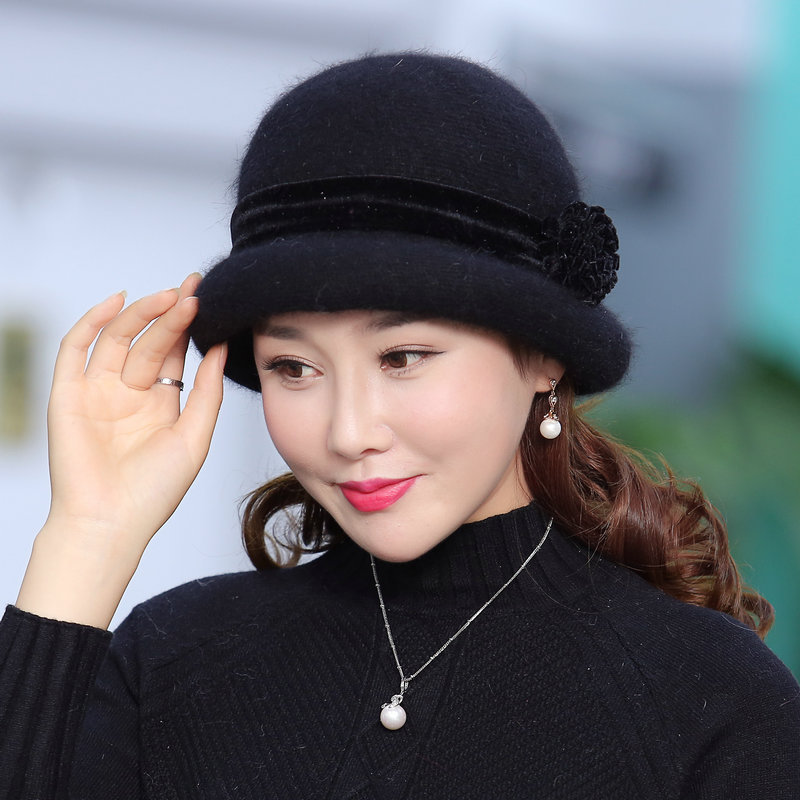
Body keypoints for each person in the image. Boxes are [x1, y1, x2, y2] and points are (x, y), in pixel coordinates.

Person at [1, 52, 798, 799]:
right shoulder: (170, 662)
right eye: (294, 367)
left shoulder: (712, 701)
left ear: (543, 357)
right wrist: (88, 536)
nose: (349, 432)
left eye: (403, 357)